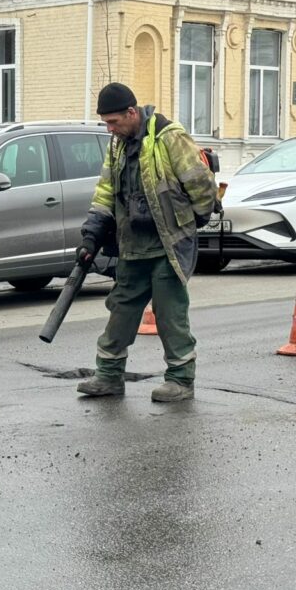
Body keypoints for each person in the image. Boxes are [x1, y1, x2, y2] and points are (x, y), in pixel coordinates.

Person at [76, 82, 218, 403]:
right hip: (132, 246)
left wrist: (195, 220)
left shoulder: (168, 137)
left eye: (113, 122)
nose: (109, 129)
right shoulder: (118, 144)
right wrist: (91, 234)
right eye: (106, 123)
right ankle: (109, 375)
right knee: (121, 310)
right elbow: (105, 191)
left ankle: (180, 380)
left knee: (169, 314)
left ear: (131, 113)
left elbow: (200, 183)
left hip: (167, 245)